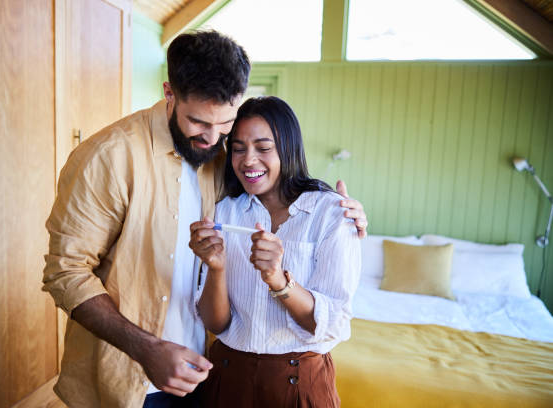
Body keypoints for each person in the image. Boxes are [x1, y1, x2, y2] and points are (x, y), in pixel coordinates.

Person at [42, 31, 368, 408]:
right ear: (169, 93)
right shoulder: (109, 157)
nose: (213, 139)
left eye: (225, 124)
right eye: (198, 122)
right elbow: (65, 273)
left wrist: (346, 215)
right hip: (131, 380)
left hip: (206, 375)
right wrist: (147, 349)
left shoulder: (222, 163)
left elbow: (279, 191)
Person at [189, 96, 361, 407]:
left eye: (263, 148)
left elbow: (333, 322)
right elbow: (217, 325)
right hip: (227, 379)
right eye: (238, 148)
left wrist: (278, 281)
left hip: (299, 385)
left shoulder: (332, 213)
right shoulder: (224, 212)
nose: (248, 160)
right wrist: (216, 267)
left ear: (288, 148)